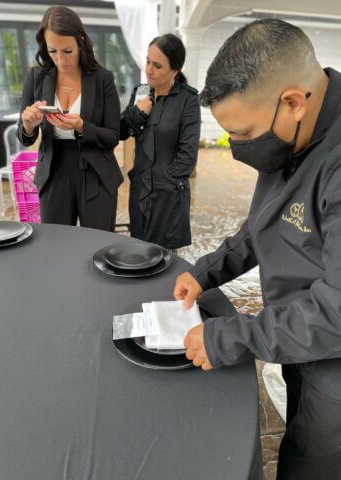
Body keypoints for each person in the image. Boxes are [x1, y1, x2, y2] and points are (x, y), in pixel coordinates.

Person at [173, 19, 341, 480]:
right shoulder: (290, 135)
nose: (235, 148)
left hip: (334, 359)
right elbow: (261, 226)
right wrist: (206, 272)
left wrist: (233, 336)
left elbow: (336, 311)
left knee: (313, 461)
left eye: (244, 134)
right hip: (294, 336)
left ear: (292, 101)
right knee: (297, 428)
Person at [18, 5, 122, 230]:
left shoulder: (102, 78)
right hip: (54, 171)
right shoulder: (36, 77)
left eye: (67, 51)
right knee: (56, 246)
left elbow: (114, 136)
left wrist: (83, 126)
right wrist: (28, 125)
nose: (60, 59)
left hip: (95, 171)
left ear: (80, 42)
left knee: (98, 246)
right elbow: (24, 137)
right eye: (52, 50)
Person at [120, 33, 201, 252]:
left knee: (165, 259)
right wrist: (138, 113)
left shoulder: (188, 100)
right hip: (140, 190)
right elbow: (121, 131)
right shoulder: (141, 93)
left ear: (174, 70)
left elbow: (188, 155)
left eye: (157, 65)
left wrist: (167, 183)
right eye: (148, 61)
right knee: (139, 251)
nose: (148, 69)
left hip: (169, 194)